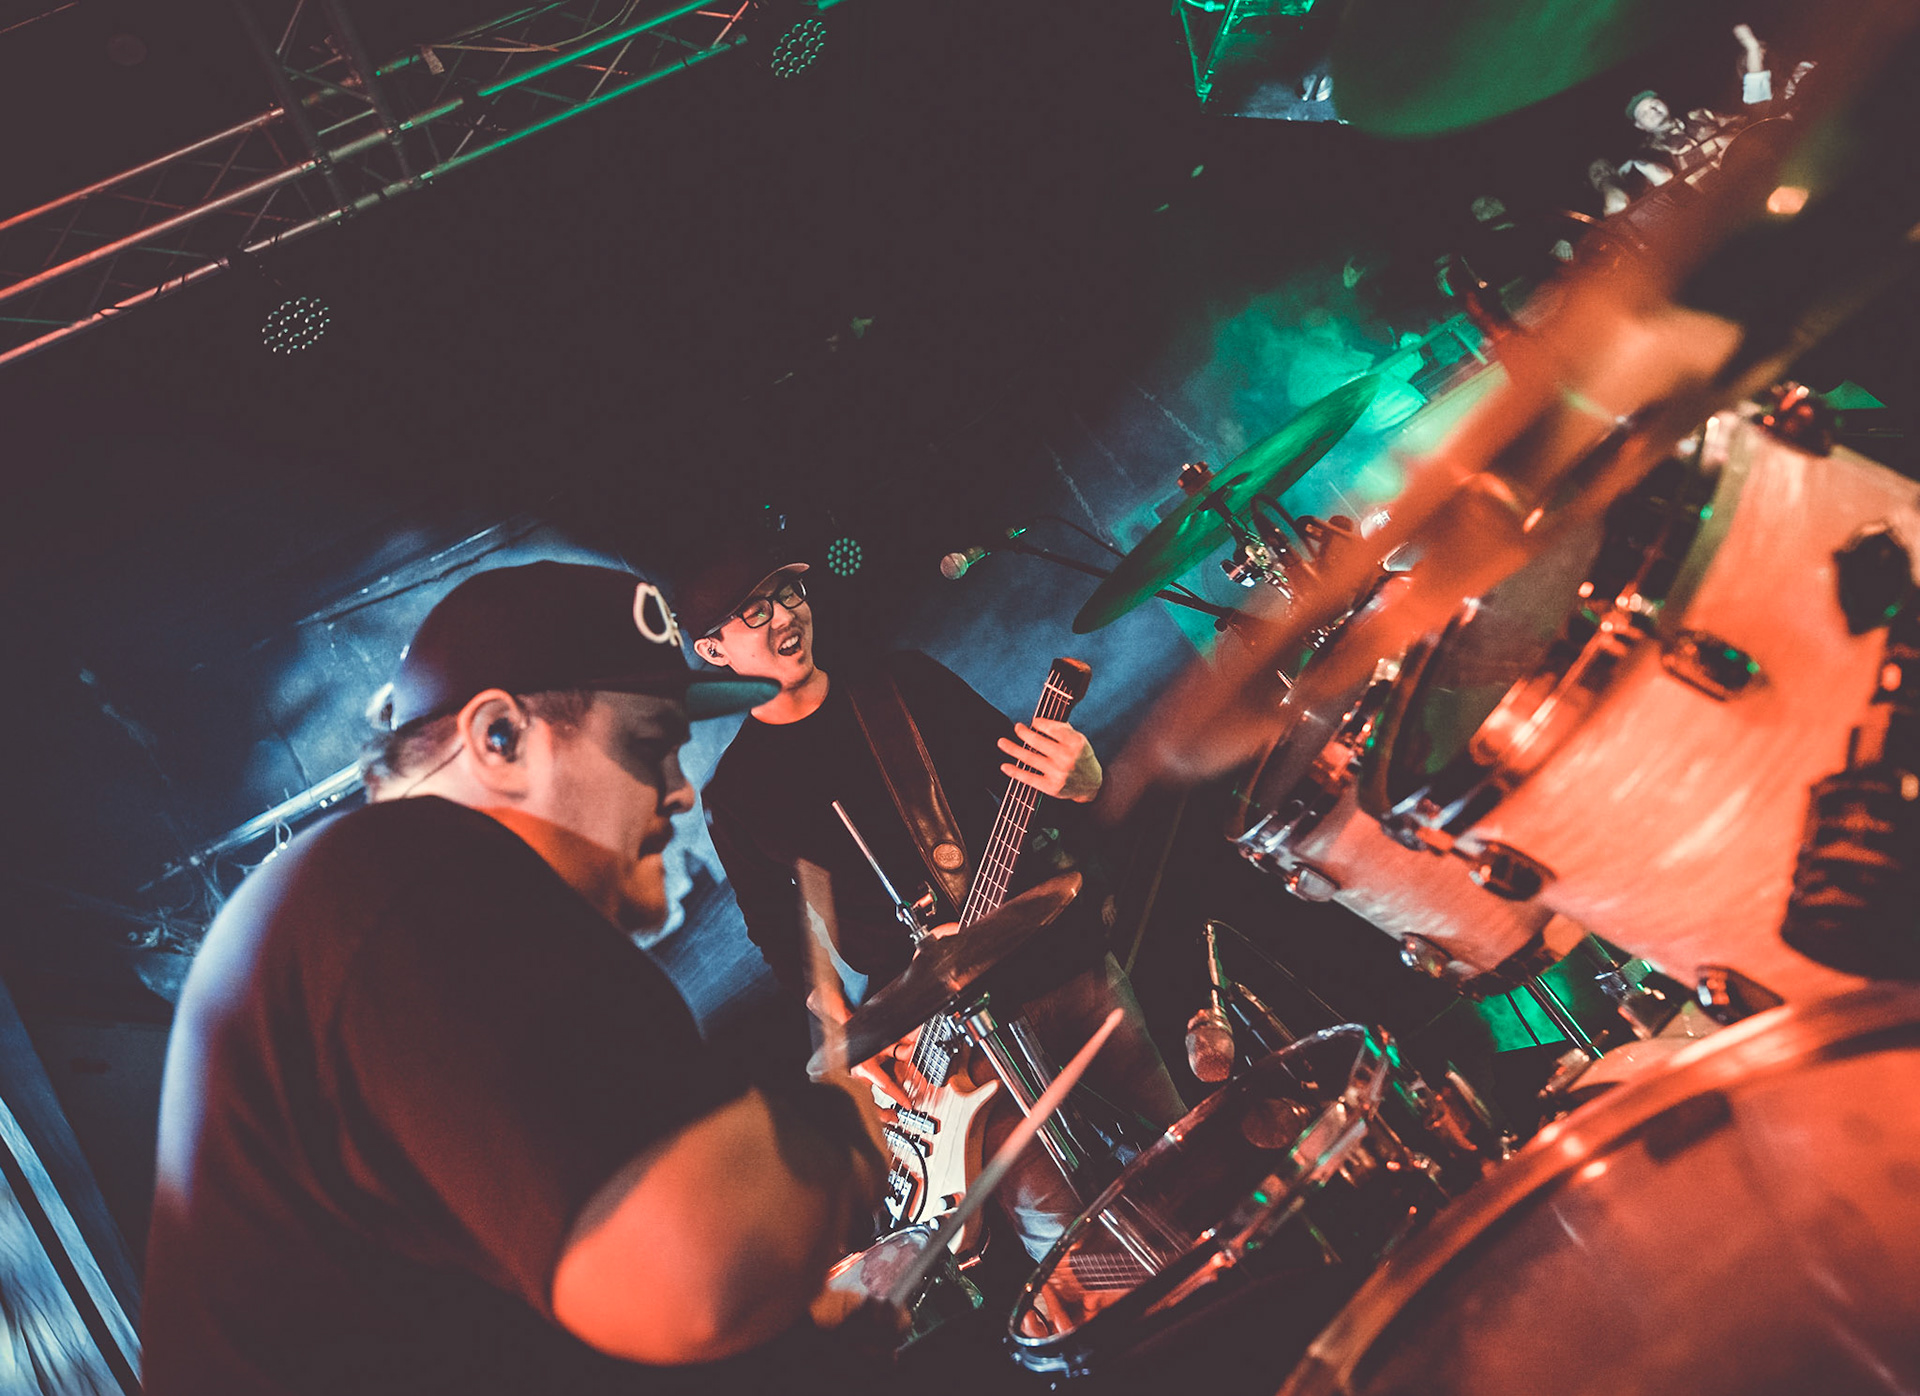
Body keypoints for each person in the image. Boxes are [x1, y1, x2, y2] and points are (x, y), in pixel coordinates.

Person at [142, 561, 890, 1396]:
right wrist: (843, 1138)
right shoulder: (418, 878)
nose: (681, 793)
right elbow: (698, 1274)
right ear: (499, 739)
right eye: (649, 748)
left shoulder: (370, 911)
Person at [683, 542, 1187, 1263]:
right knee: (1071, 1244)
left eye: (789, 595)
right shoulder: (736, 792)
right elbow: (777, 935)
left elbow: (1029, 778)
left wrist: (1085, 780)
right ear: (713, 650)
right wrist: (855, 1043)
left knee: (1184, 1161)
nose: (785, 617)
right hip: (941, 1041)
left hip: (1058, 965)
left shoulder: (902, 682)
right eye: (754, 612)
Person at [1618, 24, 1775, 189]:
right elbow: (1668, 182)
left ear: (1664, 103)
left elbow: (1745, 121)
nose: (1653, 110)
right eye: (1644, 113)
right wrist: (1718, 142)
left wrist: (1753, 50)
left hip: (1756, 168)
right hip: (1723, 194)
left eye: (1654, 103)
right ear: (1640, 125)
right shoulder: (1651, 152)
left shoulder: (1699, 114)